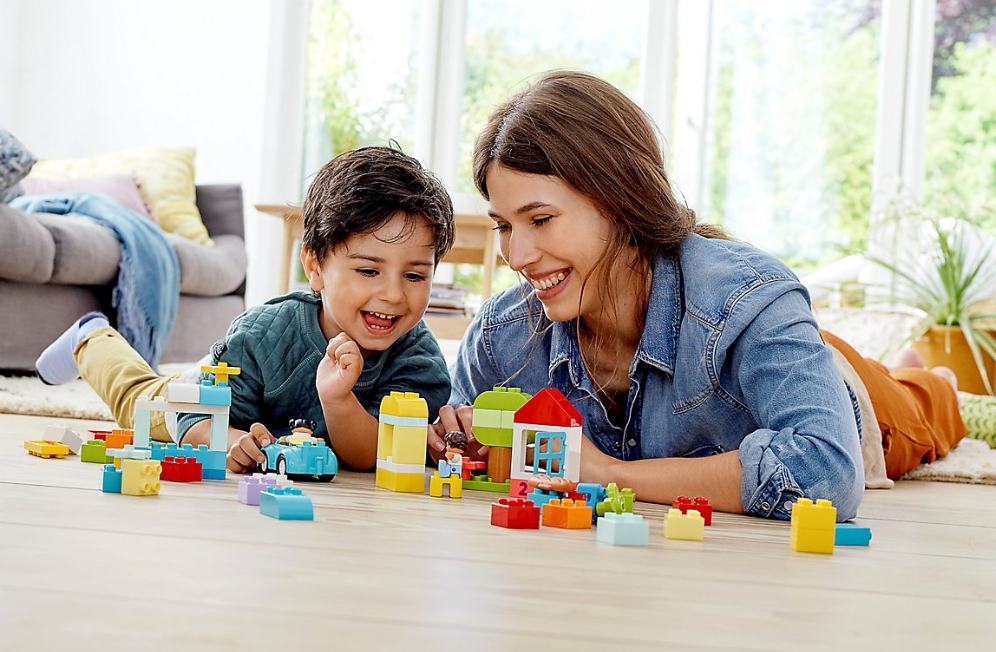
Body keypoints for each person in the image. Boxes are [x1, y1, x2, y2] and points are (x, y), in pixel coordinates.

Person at [429, 71, 966, 520]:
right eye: (503, 225)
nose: (516, 256)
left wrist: (608, 473)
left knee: (926, 410)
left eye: (541, 219)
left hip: (859, 403)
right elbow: (457, 441)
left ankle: (931, 378)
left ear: (619, 201)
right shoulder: (504, 337)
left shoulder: (750, 302)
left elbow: (828, 470)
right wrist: (456, 439)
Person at [36, 146, 455, 473]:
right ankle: (90, 337)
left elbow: (376, 455)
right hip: (206, 393)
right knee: (136, 403)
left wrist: (338, 399)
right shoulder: (263, 334)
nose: (393, 295)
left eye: (414, 275)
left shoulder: (418, 359)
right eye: (368, 270)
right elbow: (198, 420)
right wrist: (234, 441)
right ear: (315, 267)